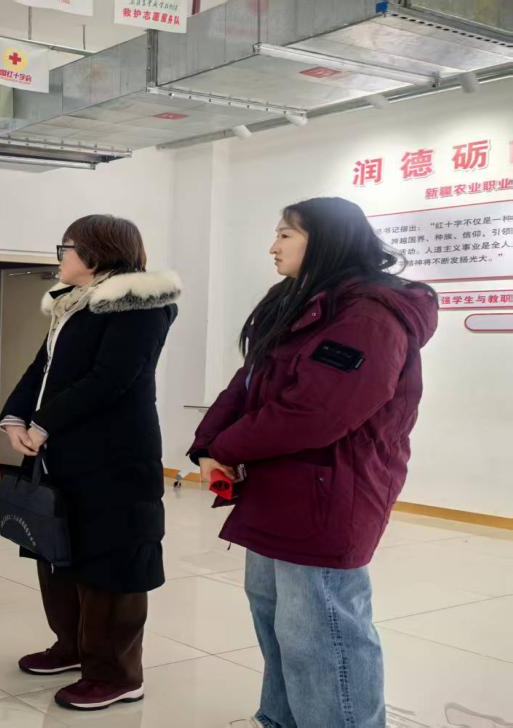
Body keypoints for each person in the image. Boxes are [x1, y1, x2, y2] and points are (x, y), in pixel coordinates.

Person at [189, 198, 438, 728]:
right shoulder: (294, 300)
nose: (273, 246)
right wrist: (208, 446)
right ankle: (281, 719)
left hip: (331, 491)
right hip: (277, 486)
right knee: (275, 617)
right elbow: (247, 383)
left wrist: (228, 448)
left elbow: (318, 412)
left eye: (285, 235)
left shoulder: (368, 316)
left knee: (322, 630)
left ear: (325, 240)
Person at [0, 214, 180, 711]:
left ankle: (117, 673)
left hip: (114, 457)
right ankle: (73, 646)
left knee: (112, 563)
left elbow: (110, 379)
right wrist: (14, 417)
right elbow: (42, 368)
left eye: (67, 247)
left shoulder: (140, 304)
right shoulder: (72, 303)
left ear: (97, 252)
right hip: (65, 454)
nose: (60, 256)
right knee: (59, 551)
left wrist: (43, 424)